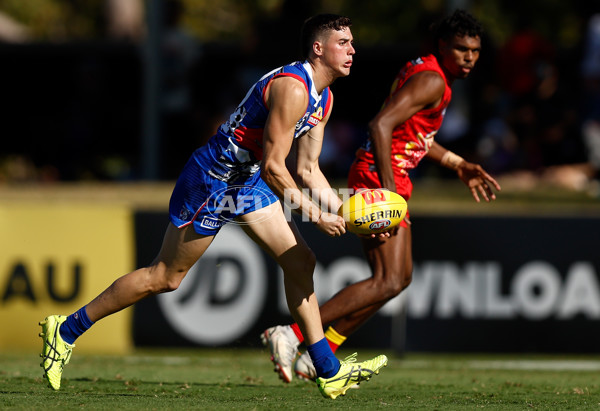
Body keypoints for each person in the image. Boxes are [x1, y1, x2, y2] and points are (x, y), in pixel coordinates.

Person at [38, 14, 387, 400]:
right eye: (343, 42)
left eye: (353, 42)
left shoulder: (325, 98)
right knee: (164, 278)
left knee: (301, 261)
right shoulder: (293, 88)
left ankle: (327, 370)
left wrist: (347, 215)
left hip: (247, 181)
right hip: (213, 181)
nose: (352, 50)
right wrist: (315, 213)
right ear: (318, 49)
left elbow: (307, 169)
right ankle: (65, 329)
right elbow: (276, 167)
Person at [262, 9, 501, 383]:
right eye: (461, 49)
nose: (469, 57)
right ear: (443, 46)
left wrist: (457, 163)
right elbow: (381, 124)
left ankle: (320, 349)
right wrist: (387, 190)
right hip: (381, 177)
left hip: (389, 176)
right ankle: (294, 335)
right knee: (387, 279)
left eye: (474, 50)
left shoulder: (432, 74)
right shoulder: (432, 81)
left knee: (397, 279)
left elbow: (417, 136)